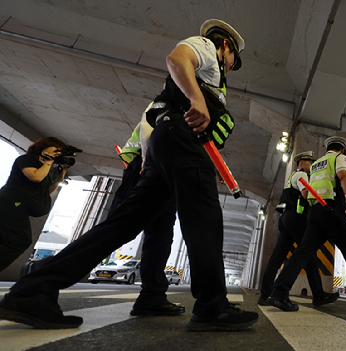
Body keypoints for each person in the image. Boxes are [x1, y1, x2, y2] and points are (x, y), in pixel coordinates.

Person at [0, 19, 258, 331]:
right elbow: (176, 59)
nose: (232, 66)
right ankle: (212, 306)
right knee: (204, 218)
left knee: (121, 225)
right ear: (226, 45)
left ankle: (33, 288)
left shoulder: (211, 77)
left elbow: (159, 115)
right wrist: (197, 99)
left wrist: (155, 160)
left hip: (171, 148)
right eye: (234, 60)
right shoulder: (206, 48)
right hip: (180, 142)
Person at [267, 136, 346, 313]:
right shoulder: (338, 158)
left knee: (302, 253)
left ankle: (279, 292)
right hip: (333, 212)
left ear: (326, 150)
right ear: (344, 151)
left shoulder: (317, 164)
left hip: (315, 214)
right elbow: (344, 176)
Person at [108, 122, 183, 317]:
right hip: (147, 167)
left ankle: (152, 296)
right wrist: (146, 158)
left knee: (161, 238)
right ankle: (46, 276)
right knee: (117, 229)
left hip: (165, 171)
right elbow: (149, 129)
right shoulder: (175, 100)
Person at [258, 151, 339, 307]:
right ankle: (317, 295)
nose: (312, 165)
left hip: (286, 219)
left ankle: (265, 295)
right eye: (310, 163)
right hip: (296, 218)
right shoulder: (301, 175)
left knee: (277, 257)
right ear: (302, 162)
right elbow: (306, 194)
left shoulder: (291, 178)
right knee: (307, 254)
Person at [0, 137, 68, 272]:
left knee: (7, 239)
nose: (58, 153)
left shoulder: (44, 169)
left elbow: (46, 191)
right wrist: (48, 162)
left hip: (18, 206)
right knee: (20, 240)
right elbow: (35, 177)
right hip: (11, 202)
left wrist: (61, 176)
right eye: (56, 149)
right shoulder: (26, 160)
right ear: (44, 147)